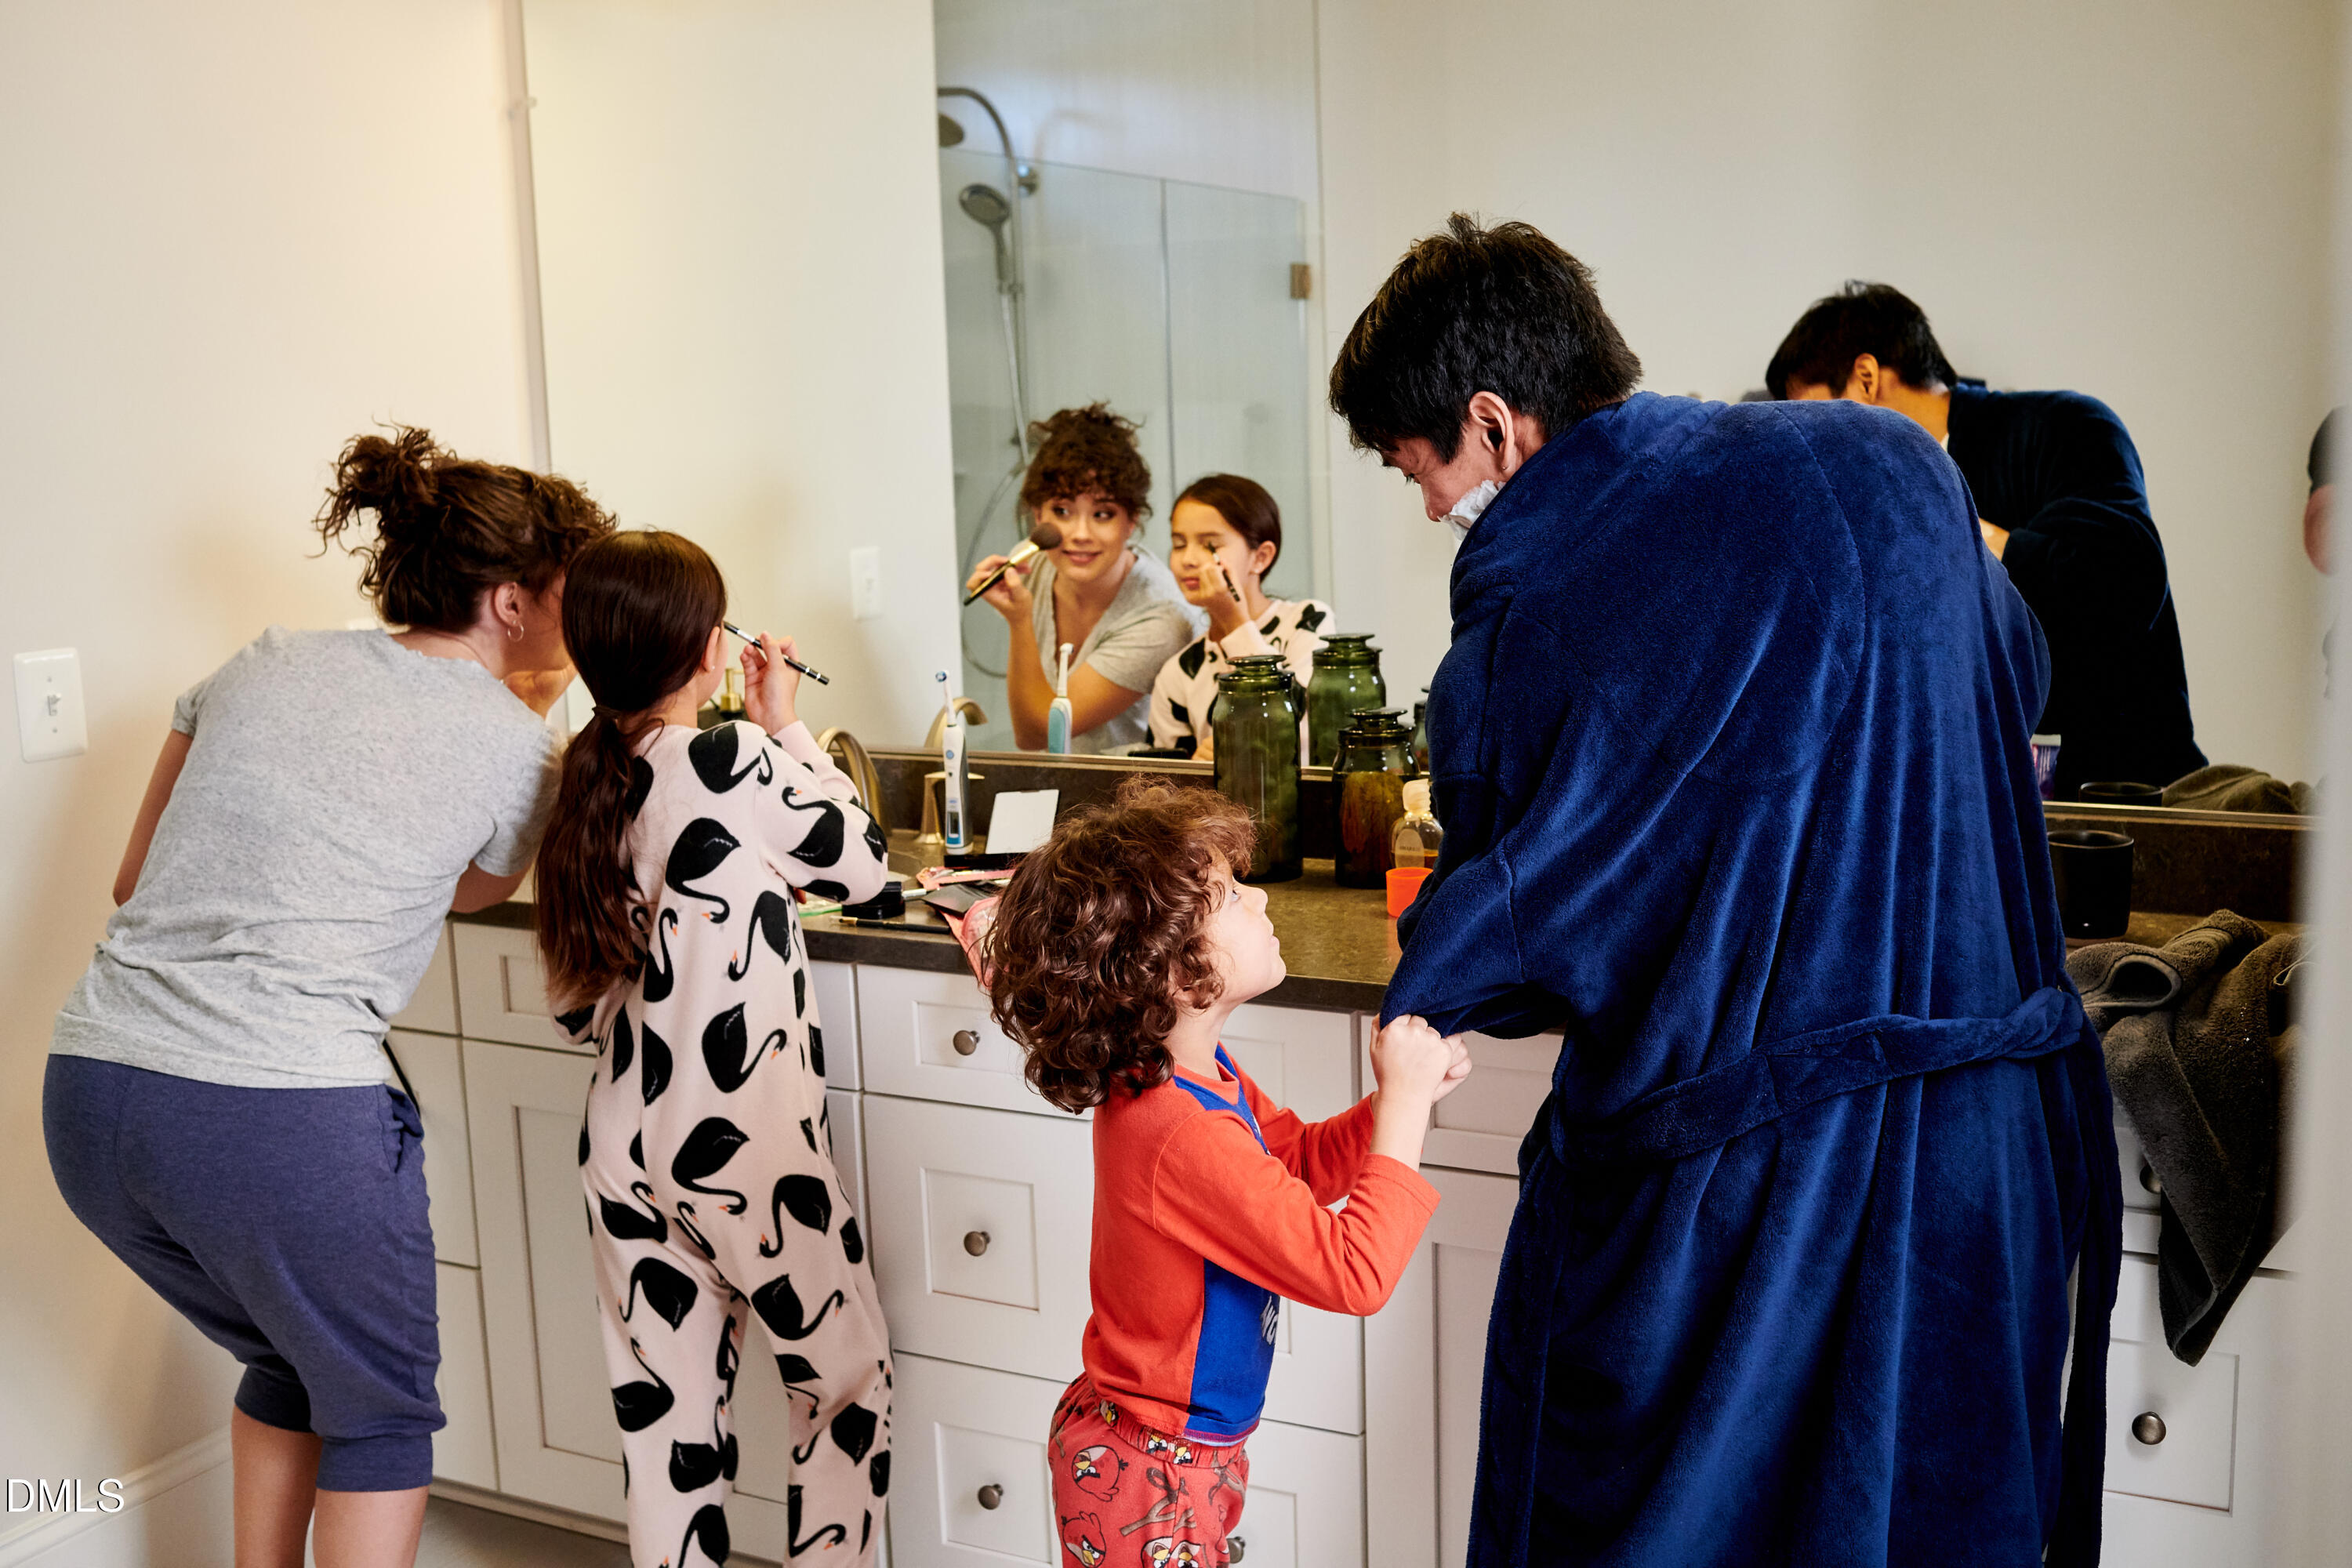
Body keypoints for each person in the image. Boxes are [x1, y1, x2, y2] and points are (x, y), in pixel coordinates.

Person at [1330, 216, 2120, 1566]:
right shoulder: (1893, 461)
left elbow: (1511, 945)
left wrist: (1434, 953)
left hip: (1747, 1212)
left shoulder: (1543, 597)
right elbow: (2016, 684)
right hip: (1977, 1168)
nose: (1429, 510)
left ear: (1496, 425)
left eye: (1420, 471)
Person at [44, 426, 610, 1568]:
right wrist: (535, 711)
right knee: (382, 1412)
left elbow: (131, 883)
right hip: (274, 1113)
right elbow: (473, 890)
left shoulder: (257, 662)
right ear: (511, 600)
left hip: (93, 1096)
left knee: (295, 1362)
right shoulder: (519, 752)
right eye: (570, 588)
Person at [983, 779, 1468, 1565]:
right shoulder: (1180, 1130)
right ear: (1178, 971)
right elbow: (1355, 1273)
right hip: (1152, 1469)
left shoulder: (1192, 1077)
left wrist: (1389, 1104)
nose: (1263, 901)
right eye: (1233, 895)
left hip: (1168, 1448)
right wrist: (1406, 1109)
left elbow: (1297, 1162)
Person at [535, 531, 894, 1567]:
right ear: (705, 648)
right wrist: (786, 722)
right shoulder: (729, 759)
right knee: (844, 1386)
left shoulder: (584, 779)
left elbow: (572, 1009)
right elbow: (865, 868)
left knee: (669, 1440)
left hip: (623, 1149)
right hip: (747, 1148)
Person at [1768, 281, 2205, 797]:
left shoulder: (2067, 428)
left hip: (2134, 810)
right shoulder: (1861, 512)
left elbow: (2125, 579)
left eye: (1813, 420)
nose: (1814, 453)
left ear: (1865, 378)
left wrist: (1952, 527)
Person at [967, 404, 1201, 753]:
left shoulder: (1162, 620)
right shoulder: (1036, 566)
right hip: (1061, 788)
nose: (1080, 534)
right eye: (1061, 511)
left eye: (1102, 514)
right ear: (1038, 515)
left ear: (1131, 520)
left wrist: (1019, 621)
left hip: (1136, 797)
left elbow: (1037, 735)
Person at [1148, 474, 1331, 758]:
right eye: (1179, 544)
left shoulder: (1308, 621)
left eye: (1210, 545)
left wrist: (1234, 621)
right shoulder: (1179, 671)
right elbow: (1166, 784)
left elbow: (1306, 734)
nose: (1188, 560)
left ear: (1261, 557)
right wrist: (1198, 766)